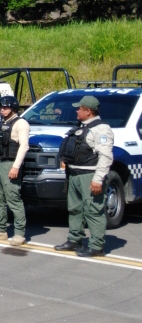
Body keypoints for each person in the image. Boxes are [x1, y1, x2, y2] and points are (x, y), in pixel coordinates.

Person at [54, 95, 114, 257]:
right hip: (74, 174)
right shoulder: (81, 126)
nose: (76, 110)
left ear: (88, 111)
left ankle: (96, 246)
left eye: (79, 108)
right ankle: (75, 240)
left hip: (89, 175)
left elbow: (106, 156)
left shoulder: (101, 129)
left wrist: (98, 179)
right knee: (74, 209)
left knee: (93, 210)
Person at [0, 95, 29, 246]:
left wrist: (16, 166)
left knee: (13, 198)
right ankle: (0, 229)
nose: (3, 109)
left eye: (6, 107)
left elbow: (24, 146)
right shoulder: (0, 123)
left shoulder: (20, 123)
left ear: (13, 108)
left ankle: (20, 233)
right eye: (1, 107)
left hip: (9, 164)